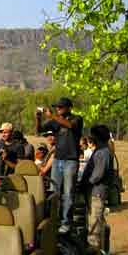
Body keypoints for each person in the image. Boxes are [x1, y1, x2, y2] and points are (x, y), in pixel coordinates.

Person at [36, 97, 84, 233]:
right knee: (54, 192)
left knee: (68, 193)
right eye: (57, 107)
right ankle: (53, 221)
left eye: (60, 107)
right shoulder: (55, 121)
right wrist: (38, 118)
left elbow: (69, 126)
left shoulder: (77, 119)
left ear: (69, 108)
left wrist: (52, 116)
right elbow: (39, 130)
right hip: (57, 160)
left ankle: (66, 223)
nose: (58, 109)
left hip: (70, 160)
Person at [80, 125, 113, 249]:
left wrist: (86, 182)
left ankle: (95, 252)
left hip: (97, 192)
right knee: (95, 221)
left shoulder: (103, 152)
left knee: (95, 222)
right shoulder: (100, 150)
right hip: (94, 191)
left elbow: (98, 175)